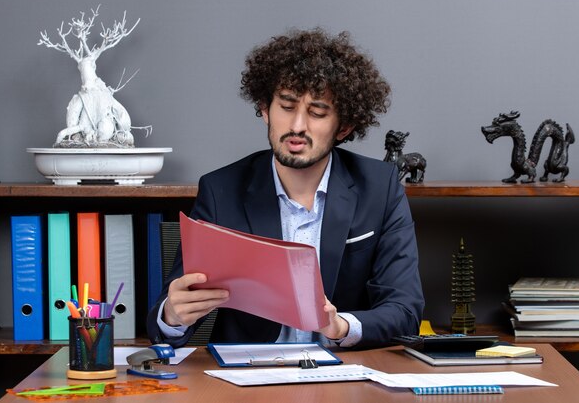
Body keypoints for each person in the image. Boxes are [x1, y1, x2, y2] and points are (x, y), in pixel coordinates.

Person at [147, 28, 424, 349]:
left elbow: (405, 310)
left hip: (346, 372)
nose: (297, 126)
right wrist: (172, 315)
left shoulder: (381, 187)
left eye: (317, 112)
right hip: (246, 380)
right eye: (287, 106)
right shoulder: (220, 189)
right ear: (265, 109)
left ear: (344, 126)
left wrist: (340, 325)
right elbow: (166, 314)